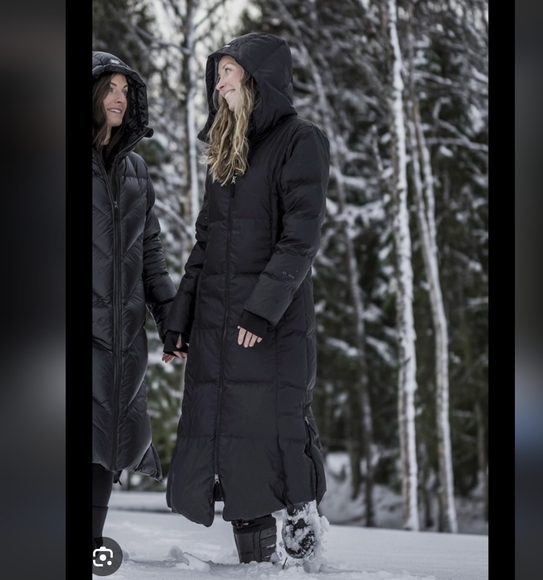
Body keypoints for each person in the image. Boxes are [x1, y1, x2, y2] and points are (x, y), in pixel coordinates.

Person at [162, 32, 330, 564]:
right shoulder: (225, 146)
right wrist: (181, 317)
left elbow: (301, 237)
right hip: (217, 320)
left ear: (259, 77)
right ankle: (255, 568)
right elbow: (206, 241)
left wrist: (262, 309)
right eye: (218, 74)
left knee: (275, 428)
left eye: (229, 71)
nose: (220, 83)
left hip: (271, 324)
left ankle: (303, 530)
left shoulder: (300, 140)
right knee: (228, 444)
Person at [92, 51, 177, 550]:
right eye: (109, 87)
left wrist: (171, 321)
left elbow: (151, 257)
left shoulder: (136, 171)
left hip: (123, 336)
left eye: (126, 90)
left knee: (108, 440)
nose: (119, 98)